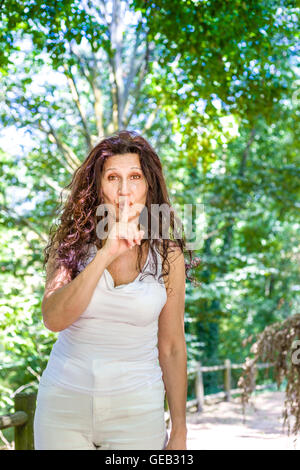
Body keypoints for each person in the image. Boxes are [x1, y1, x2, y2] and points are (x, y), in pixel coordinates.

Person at [33, 130, 189, 450]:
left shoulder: (168, 255)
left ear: (149, 186)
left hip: (137, 412)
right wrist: (106, 253)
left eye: (135, 177)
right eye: (112, 177)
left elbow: (172, 346)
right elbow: (53, 318)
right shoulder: (71, 246)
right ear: (98, 186)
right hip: (63, 406)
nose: (124, 190)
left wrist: (179, 431)